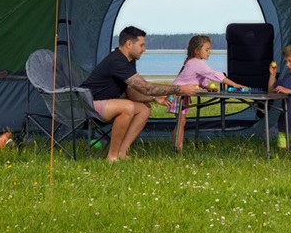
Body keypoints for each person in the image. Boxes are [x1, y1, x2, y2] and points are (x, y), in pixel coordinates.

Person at [81, 26, 200, 163]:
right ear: (129, 44)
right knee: (127, 107)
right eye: (141, 45)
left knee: (144, 108)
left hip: (103, 104)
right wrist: (179, 89)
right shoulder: (117, 61)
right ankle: (112, 157)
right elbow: (145, 87)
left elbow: (132, 92)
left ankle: (122, 152)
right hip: (87, 105)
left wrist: (154, 98)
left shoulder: (129, 61)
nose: (144, 49)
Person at [169, 35, 247, 151]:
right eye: (206, 49)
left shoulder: (193, 62)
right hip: (178, 94)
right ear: (196, 50)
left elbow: (199, 78)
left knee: (181, 122)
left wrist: (207, 87)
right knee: (181, 122)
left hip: (181, 95)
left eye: (209, 49)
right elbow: (214, 74)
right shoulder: (196, 63)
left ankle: (178, 146)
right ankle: (177, 147)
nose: (209, 52)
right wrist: (234, 84)